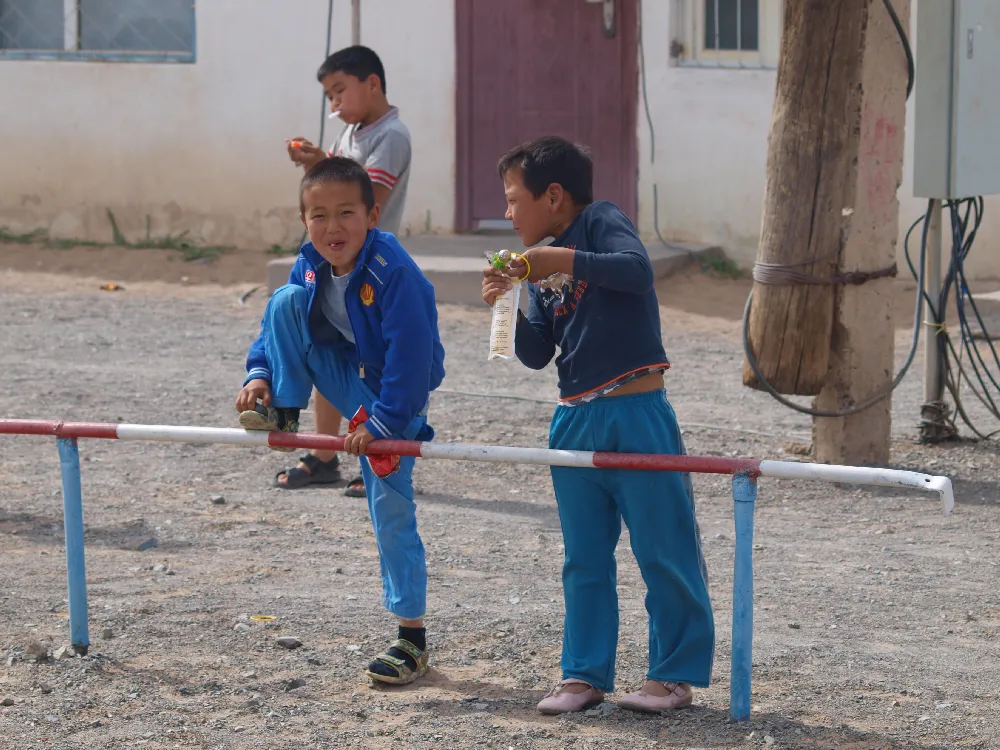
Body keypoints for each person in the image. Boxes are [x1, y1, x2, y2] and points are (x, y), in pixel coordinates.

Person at [481, 136, 714, 714]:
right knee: (584, 557)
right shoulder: (539, 265)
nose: (507, 213)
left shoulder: (601, 221)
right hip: (573, 419)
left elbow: (637, 272)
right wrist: (510, 301)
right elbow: (538, 354)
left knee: (663, 548)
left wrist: (555, 261)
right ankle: (583, 675)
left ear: (553, 196)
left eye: (513, 199)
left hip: (636, 412)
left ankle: (673, 676)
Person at [237, 157, 443, 685]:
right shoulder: (309, 262)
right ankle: (283, 409)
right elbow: (276, 328)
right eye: (320, 215)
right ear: (304, 221)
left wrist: (385, 422)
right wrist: (260, 374)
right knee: (285, 301)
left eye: (347, 213)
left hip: (395, 398)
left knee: (390, 510)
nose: (333, 227)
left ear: (372, 216)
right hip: (347, 380)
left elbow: (413, 356)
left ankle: (412, 640)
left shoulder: (393, 270)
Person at [281, 45, 413, 496]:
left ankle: (384, 447)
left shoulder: (391, 136)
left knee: (374, 360)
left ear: (372, 83)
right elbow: (334, 187)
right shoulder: (350, 135)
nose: (335, 103)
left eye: (340, 90)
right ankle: (324, 453)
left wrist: (320, 164)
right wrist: (317, 164)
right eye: (329, 96)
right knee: (328, 344)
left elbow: (364, 196)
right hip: (336, 263)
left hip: (370, 267)